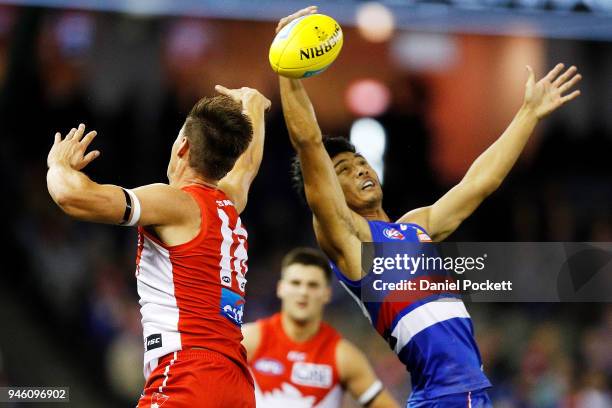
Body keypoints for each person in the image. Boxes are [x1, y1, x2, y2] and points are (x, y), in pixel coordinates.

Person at [277, 6, 582, 407]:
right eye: (344, 171)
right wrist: (287, 68)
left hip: (461, 393)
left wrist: (527, 114)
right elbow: (309, 144)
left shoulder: (415, 225)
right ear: (329, 191)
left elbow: (479, 182)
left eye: (360, 162)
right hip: (446, 396)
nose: (361, 170)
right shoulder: (348, 238)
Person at [46, 85, 271, 408]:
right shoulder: (229, 204)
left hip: (187, 375)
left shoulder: (175, 202)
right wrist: (253, 106)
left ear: (182, 147)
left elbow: (72, 197)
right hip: (236, 385)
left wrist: (58, 165)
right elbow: (246, 167)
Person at [242, 247, 399, 408]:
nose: (303, 292)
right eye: (296, 283)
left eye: (313, 285)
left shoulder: (343, 356)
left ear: (327, 293)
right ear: (281, 288)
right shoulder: (249, 340)